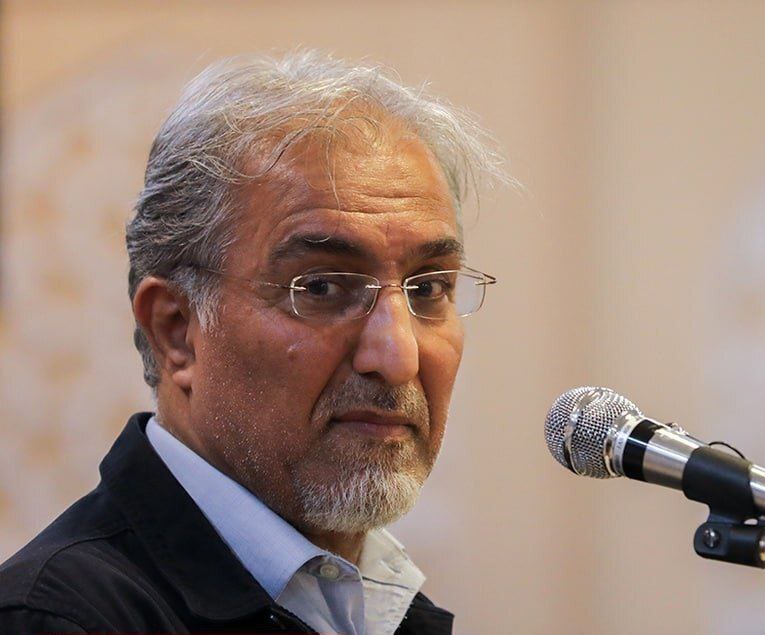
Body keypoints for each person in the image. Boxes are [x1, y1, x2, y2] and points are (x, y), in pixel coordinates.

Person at [0, 50, 508, 635]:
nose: (398, 357)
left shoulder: (379, 608)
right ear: (176, 331)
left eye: (429, 289)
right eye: (321, 287)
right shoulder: (58, 621)